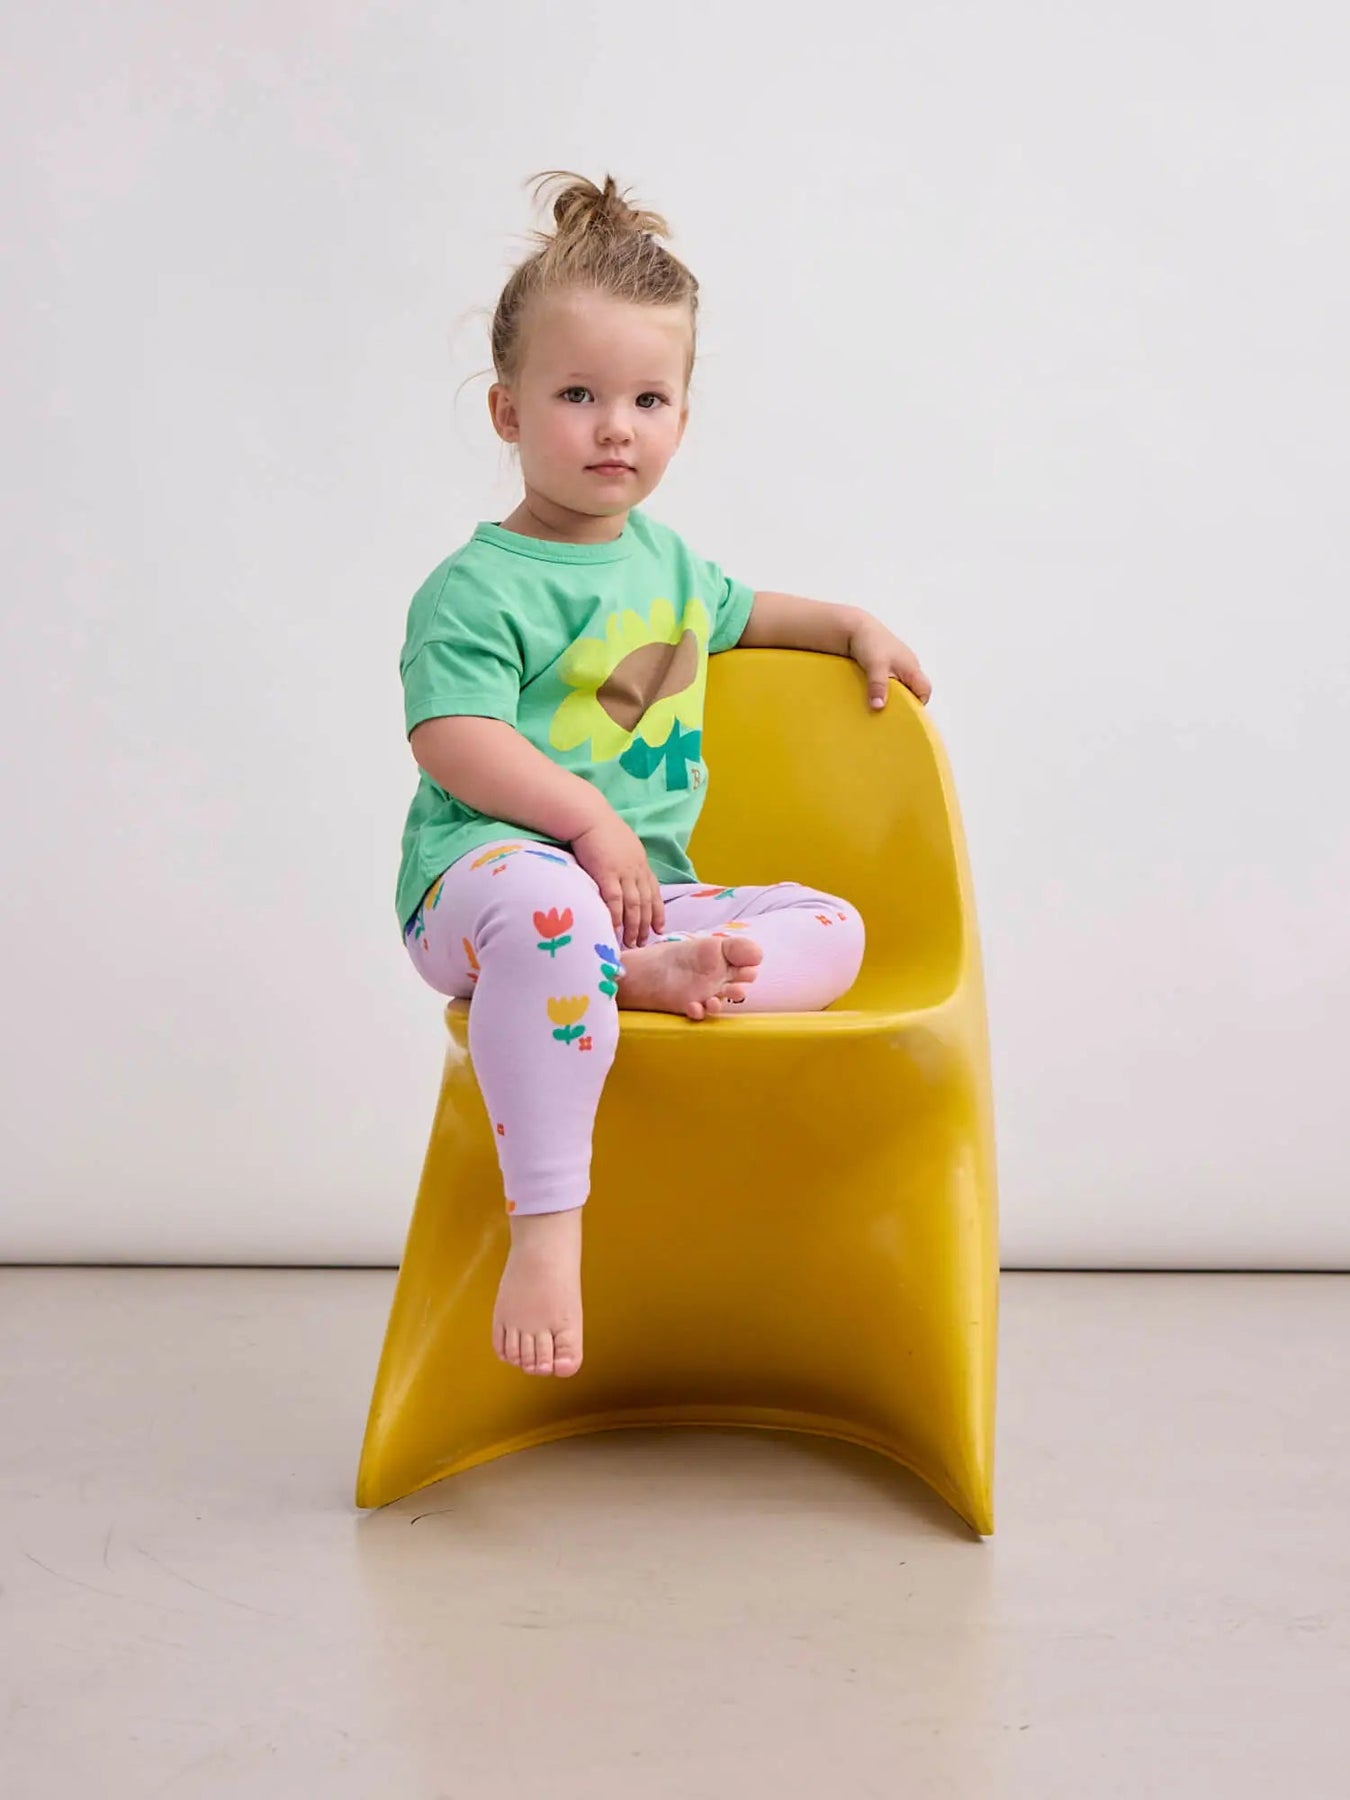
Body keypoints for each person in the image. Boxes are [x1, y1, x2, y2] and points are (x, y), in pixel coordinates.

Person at [397, 170, 932, 1382]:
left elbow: (753, 613)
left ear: (683, 418)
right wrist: (586, 821)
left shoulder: (672, 567)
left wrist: (852, 624)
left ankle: (636, 976)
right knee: (550, 912)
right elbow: (452, 737)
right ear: (507, 409)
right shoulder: (476, 588)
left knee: (834, 929)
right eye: (577, 395)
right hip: (483, 888)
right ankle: (548, 1232)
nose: (615, 427)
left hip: (643, 898)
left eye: (648, 398)